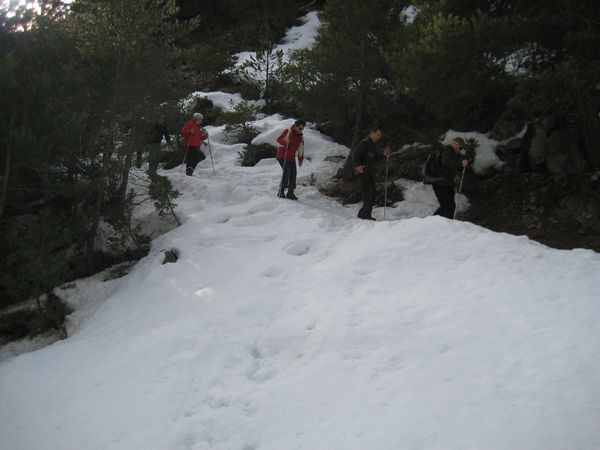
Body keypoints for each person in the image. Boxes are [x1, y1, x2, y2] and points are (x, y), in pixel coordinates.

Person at [352, 127, 391, 220]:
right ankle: (364, 214)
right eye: (378, 135)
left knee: (372, 192)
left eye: (380, 136)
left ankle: (365, 213)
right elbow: (355, 154)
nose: (379, 138)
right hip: (364, 171)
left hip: (370, 172)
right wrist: (358, 166)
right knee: (369, 192)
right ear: (372, 133)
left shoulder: (372, 145)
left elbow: (375, 159)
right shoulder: (365, 142)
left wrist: (383, 155)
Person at [431, 137, 469, 219]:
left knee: (445, 206)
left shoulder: (445, 151)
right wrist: (461, 163)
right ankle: (447, 227)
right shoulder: (448, 150)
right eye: (460, 147)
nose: (460, 150)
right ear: (455, 143)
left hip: (439, 182)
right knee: (450, 207)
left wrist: (452, 184)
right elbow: (446, 162)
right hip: (443, 183)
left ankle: (431, 222)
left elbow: (447, 170)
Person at [276, 119, 306, 200]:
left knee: (293, 173)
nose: (300, 130)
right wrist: (285, 141)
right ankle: (281, 190)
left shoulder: (300, 137)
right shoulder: (288, 131)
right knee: (287, 171)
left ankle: (290, 192)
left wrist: (300, 159)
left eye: (302, 129)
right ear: (295, 126)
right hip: (283, 154)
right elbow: (279, 140)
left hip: (291, 156)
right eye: (299, 128)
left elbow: (300, 148)